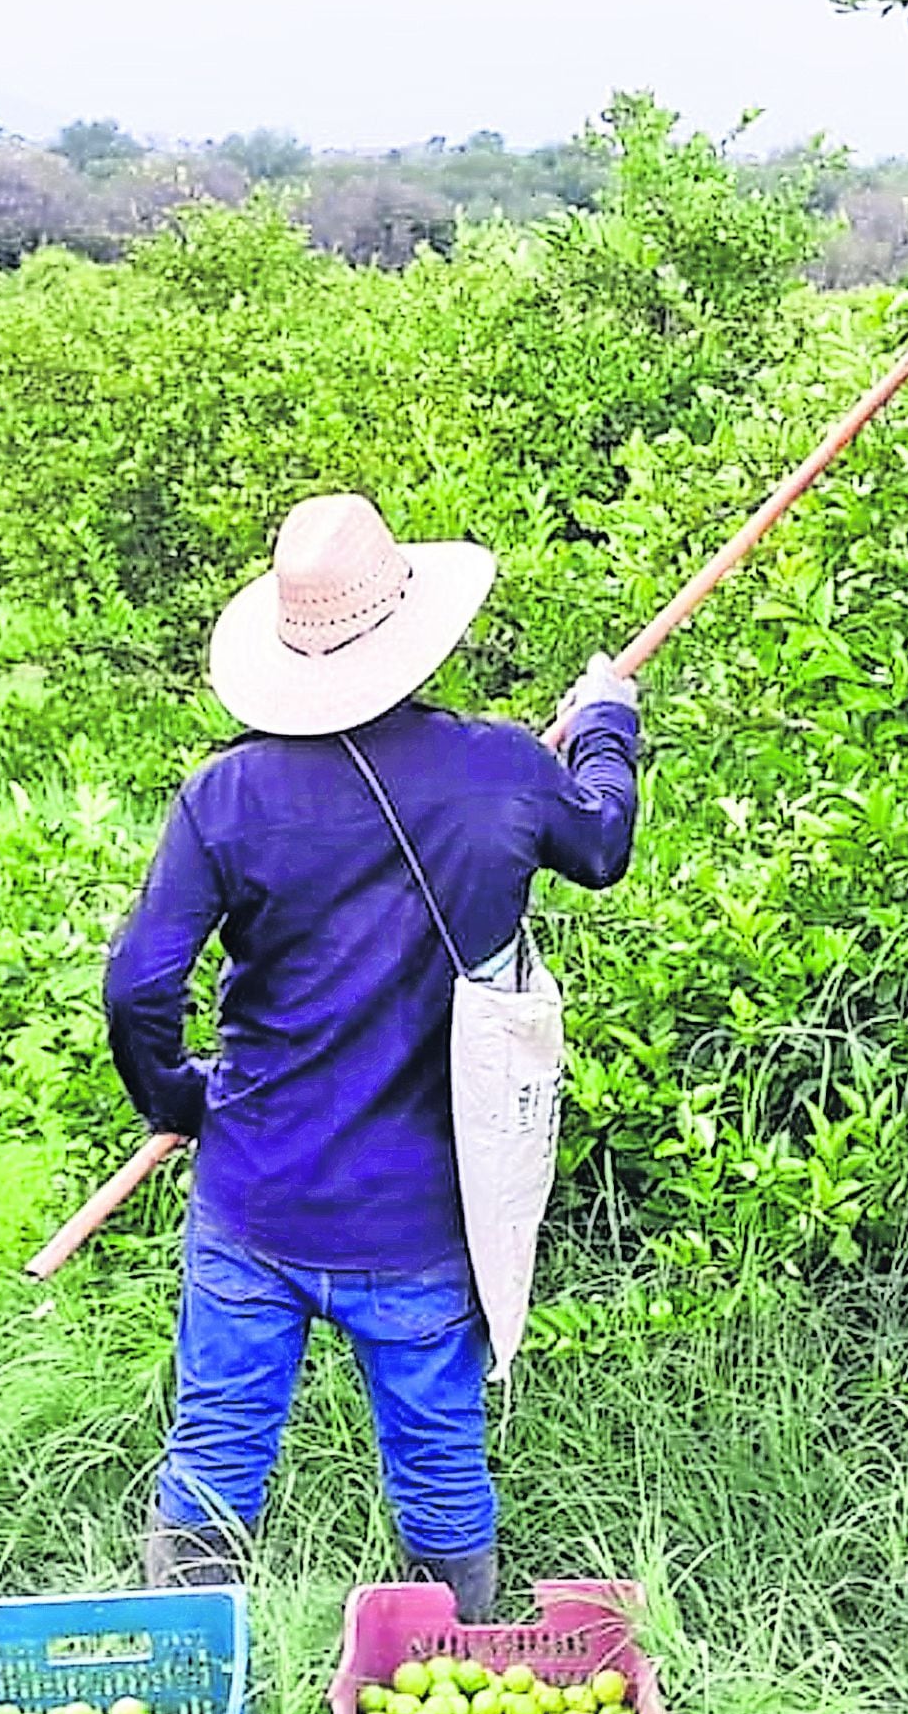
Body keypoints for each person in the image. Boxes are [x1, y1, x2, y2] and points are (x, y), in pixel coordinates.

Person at [102, 492, 643, 1624]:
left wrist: (185, 1102)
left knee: (215, 1449)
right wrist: (603, 723)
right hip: (417, 1209)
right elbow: (598, 842)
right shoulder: (500, 768)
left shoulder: (225, 795)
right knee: (439, 1457)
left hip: (255, 1191)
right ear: (408, 628)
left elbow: (139, 985)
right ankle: (460, 1652)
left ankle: (188, 1669)